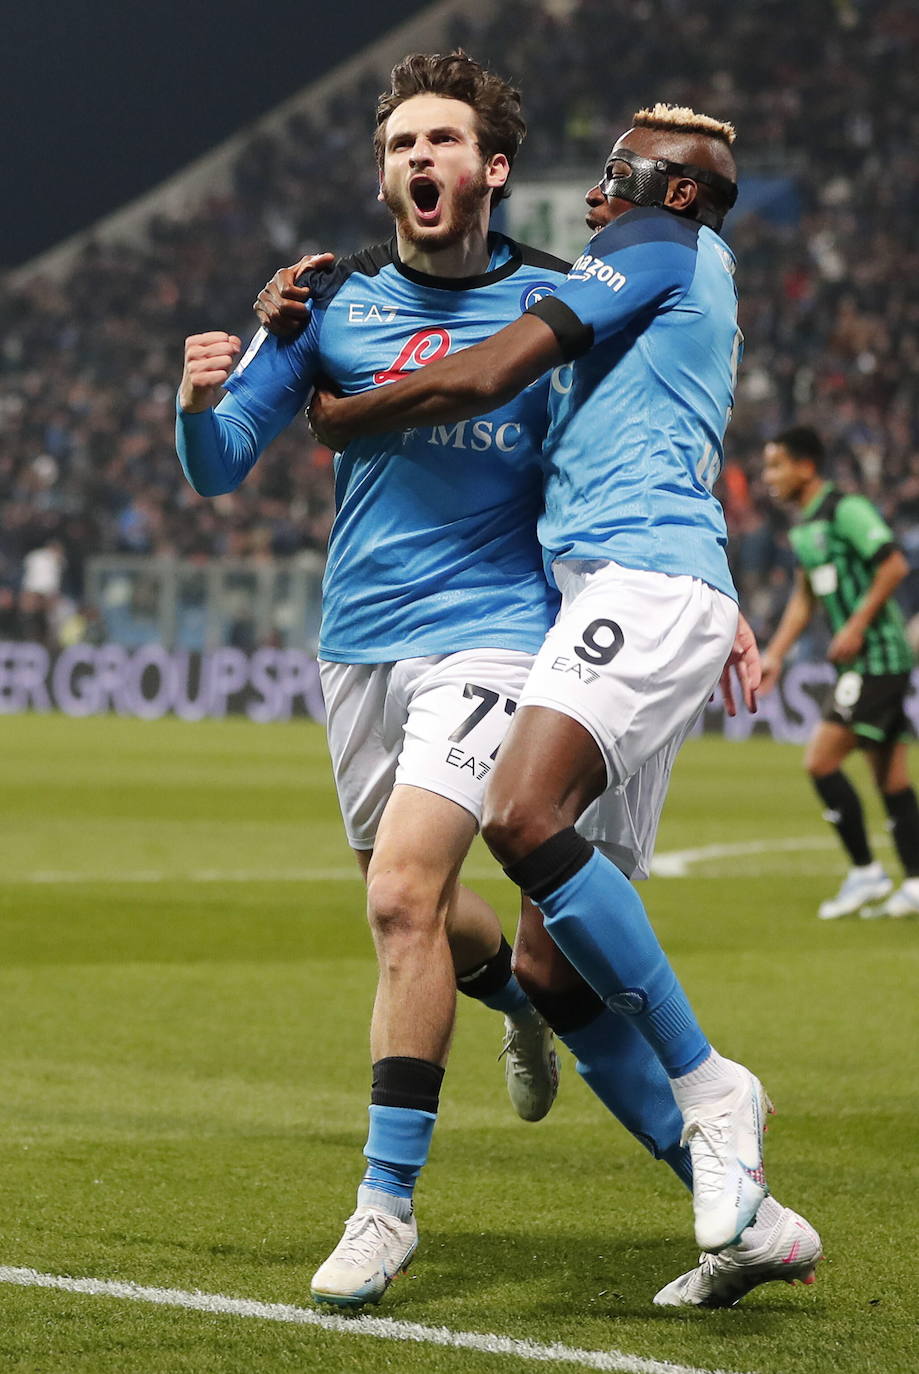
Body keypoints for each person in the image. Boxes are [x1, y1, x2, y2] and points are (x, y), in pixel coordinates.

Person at [306, 101, 822, 1302]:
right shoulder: (670, 269)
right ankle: (753, 1224)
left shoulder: (654, 245)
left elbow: (489, 372)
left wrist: (338, 417)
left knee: (518, 813)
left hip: (638, 584)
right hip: (624, 588)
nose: (596, 192)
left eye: (619, 172)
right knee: (551, 970)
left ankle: (711, 1088)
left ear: (675, 191)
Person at [761, 426, 919, 919]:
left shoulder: (846, 510)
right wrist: (774, 654)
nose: (769, 477)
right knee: (890, 776)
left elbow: (893, 566)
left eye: (777, 465)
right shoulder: (804, 528)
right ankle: (916, 883)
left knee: (820, 761)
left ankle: (866, 872)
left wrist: (855, 624)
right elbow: (804, 599)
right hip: (861, 661)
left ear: (806, 466)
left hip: (878, 657)